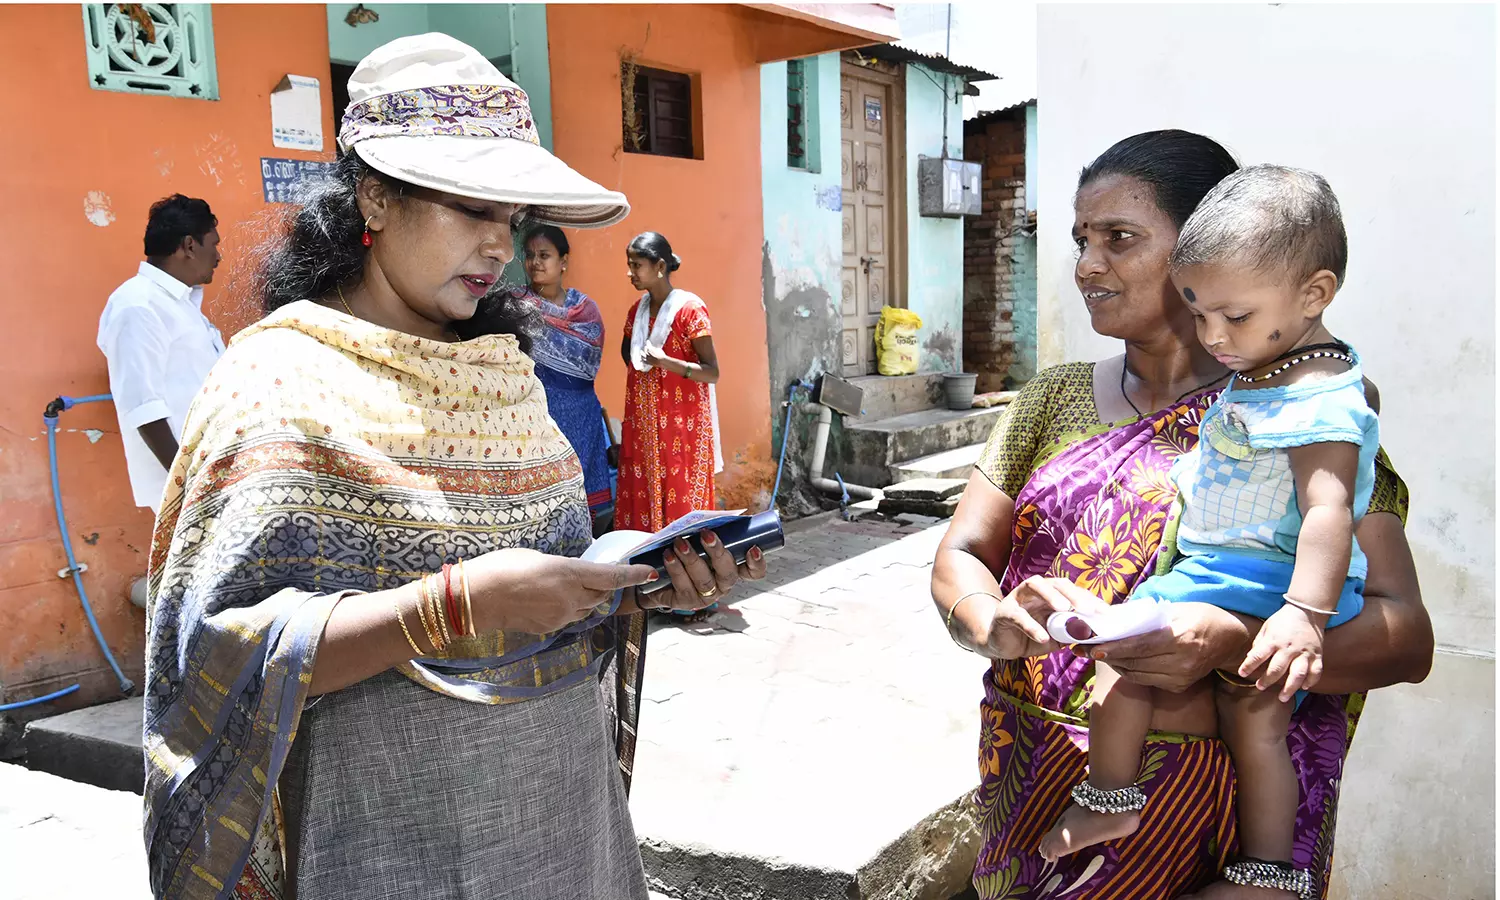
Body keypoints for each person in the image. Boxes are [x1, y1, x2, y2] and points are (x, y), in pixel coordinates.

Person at [142, 34, 766, 900]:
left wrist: (640, 586)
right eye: (472, 208)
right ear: (374, 198)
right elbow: (218, 655)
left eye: (509, 220)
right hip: (382, 840)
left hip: (559, 821)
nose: (499, 246)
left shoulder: (503, 372)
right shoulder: (274, 384)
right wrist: (454, 608)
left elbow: (555, 586)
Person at [930, 130, 1433, 900]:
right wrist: (986, 617)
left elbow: (1406, 638)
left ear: (1211, 244)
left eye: (1120, 238)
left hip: (1207, 820)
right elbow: (961, 550)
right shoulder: (1050, 399)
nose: (1087, 264)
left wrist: (1233, 643)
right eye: (1082, 240)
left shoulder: (1297, 419)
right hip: (1032, 787)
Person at [1037, 165, 1379, 896]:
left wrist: (1302, 615)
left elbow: (1328, 508)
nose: (1214, 334)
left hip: (1266, 586)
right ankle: (1218, 850)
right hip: (1220, 572)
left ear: (1314, 295)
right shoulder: (1265, 375)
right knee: (1228, 713)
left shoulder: (1318, 399)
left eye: (1235, 315)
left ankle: (1166, 828)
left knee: (1178, 688)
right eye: (1198, 312)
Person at [615, 232, 724, 617]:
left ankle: (697, 598)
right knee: (644, 506)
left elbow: (713, 372)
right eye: (629, 265)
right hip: (646, 430)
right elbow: (627, 357)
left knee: (682, 509)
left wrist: (668, 364)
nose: (630, 273)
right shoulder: (636, 312)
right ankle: (651, 594)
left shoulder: (691, 311)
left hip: (683, 432)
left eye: (637, 265)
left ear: (660, 267)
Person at [96, 193, 224, 514]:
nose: (218, 256)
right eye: (214, 244)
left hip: (211, 471)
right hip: (187, 486)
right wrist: (188, 483)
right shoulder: (138, 305)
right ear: (189, 246)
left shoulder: (180, 304)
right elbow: (143, 407)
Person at [506, 224, 617, 535]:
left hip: (583, 418)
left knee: (586, 508)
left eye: (545, 255)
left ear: (563, 261)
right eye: (529, 256)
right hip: (535, 417)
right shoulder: (512, 307)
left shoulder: (585, 310)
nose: (535, 262)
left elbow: (589, 367)